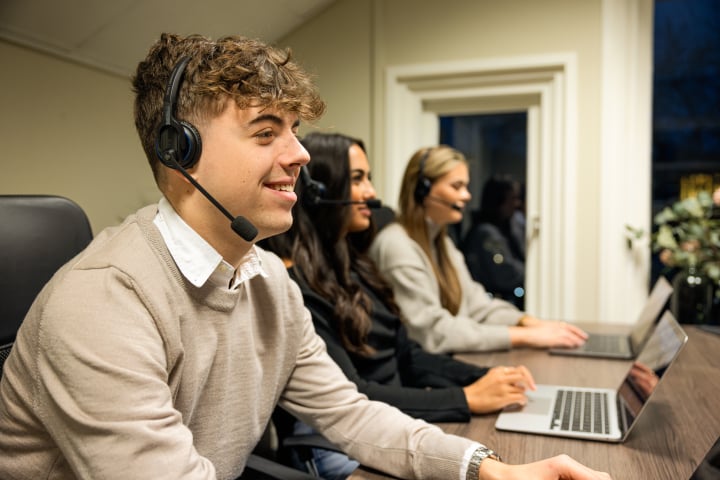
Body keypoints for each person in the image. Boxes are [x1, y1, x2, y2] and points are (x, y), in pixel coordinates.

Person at [0, 33, 612, 480]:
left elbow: (352, 415)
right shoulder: (103, 301)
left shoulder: (265, 275)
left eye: (293, 130)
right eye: (267, 132)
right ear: (178, 152)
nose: (297, 154)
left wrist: (489, 469)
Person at [261, 132, 536, 478]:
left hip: (387, 418)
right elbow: (353, 395)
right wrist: (464, 398)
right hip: (331, 441)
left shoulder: (354, 264)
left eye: (369, 179)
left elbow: (406, 352)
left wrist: (483, 377)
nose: (372, 193)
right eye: (358, 179)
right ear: (322, 191)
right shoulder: (292, 283)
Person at [369, 146, 588, 354]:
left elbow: (476, 304)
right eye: (457, 186)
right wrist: (524, 336)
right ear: (422, 191)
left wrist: (530, 322)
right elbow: (432, 333)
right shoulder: (397, 246)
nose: (466, 195)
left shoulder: (442, 244)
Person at [462, 176, 526, 308]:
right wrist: (531, 274)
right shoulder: (486, 233)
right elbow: (506, 272)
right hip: (492, 301)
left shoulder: (511, 227)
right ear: (498, 201)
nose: (516, 204)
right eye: (512, 199)